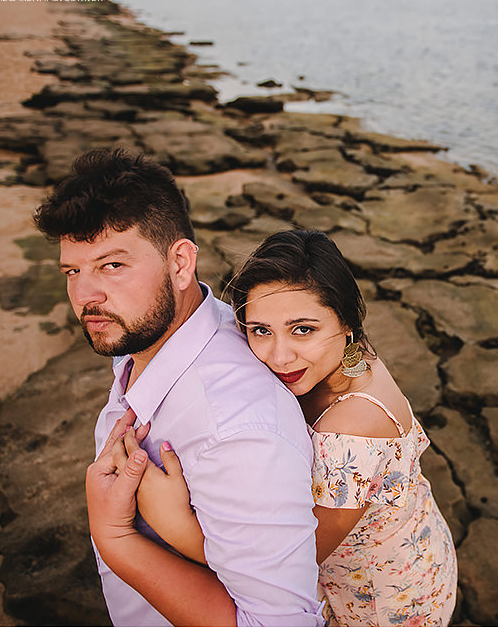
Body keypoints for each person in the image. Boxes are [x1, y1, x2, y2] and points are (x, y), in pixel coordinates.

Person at [104, 230, 459, 626]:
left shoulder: (355, 429)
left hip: (381, 599)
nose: (279, 355)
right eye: (260, 330)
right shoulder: (340, 357)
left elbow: (294, 560)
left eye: (303, 329)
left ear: (346, 322)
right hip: (412, 540)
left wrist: (175, 523)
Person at [34, 148, 324, 627]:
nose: (85, 296)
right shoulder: (148, 340)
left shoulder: (236, 431)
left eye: (111, 265)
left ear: (182, 263)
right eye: (72, 271)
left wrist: (115, 539)